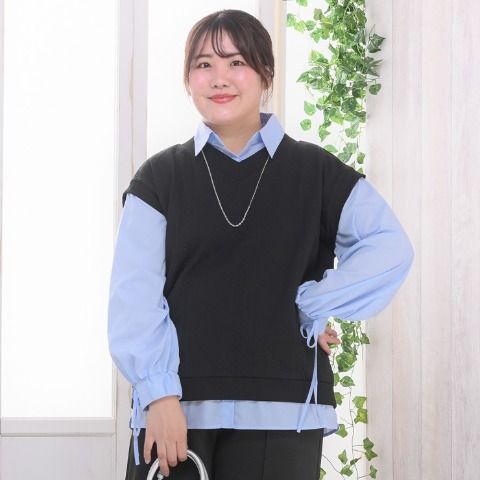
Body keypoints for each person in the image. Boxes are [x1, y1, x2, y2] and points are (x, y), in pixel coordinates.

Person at [107, 9, 414, 480]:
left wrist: (311, 303)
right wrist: (160, 395)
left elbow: (390, 249)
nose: (219, 78)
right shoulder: (159, 178)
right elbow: (134, 297)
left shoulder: (317, 172)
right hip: (178, 409)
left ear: (266, 73)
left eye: (236, 62)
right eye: (204, 64)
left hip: (286, 412)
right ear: (188, 80)